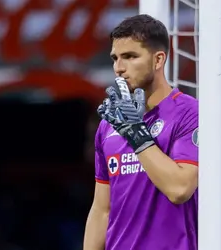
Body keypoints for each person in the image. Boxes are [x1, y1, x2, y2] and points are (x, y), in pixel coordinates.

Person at [83, 14, 199, 250]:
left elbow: (179, 189)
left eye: (130, 57)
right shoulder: (109, 124)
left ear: (158, 60)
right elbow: (102, 209)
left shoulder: (189, 113)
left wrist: (137, 134)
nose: (119, 68)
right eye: (115, 58)